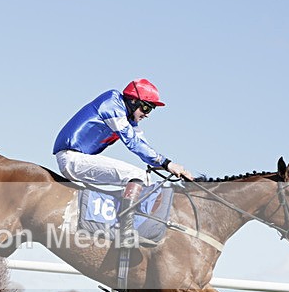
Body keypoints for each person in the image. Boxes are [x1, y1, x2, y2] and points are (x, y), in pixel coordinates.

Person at [53, 78, 193, 246]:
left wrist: (168, 166)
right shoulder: (112, 104)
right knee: (137, 175)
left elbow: (143, 145)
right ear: (133, 101)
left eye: (151, 109)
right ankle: (126, 232)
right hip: (71, 158)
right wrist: (166, 163)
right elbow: (133, 143)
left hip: (80, 158)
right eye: (146, 107)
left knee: (146, 179)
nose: (147, 114)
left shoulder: (128, 117)